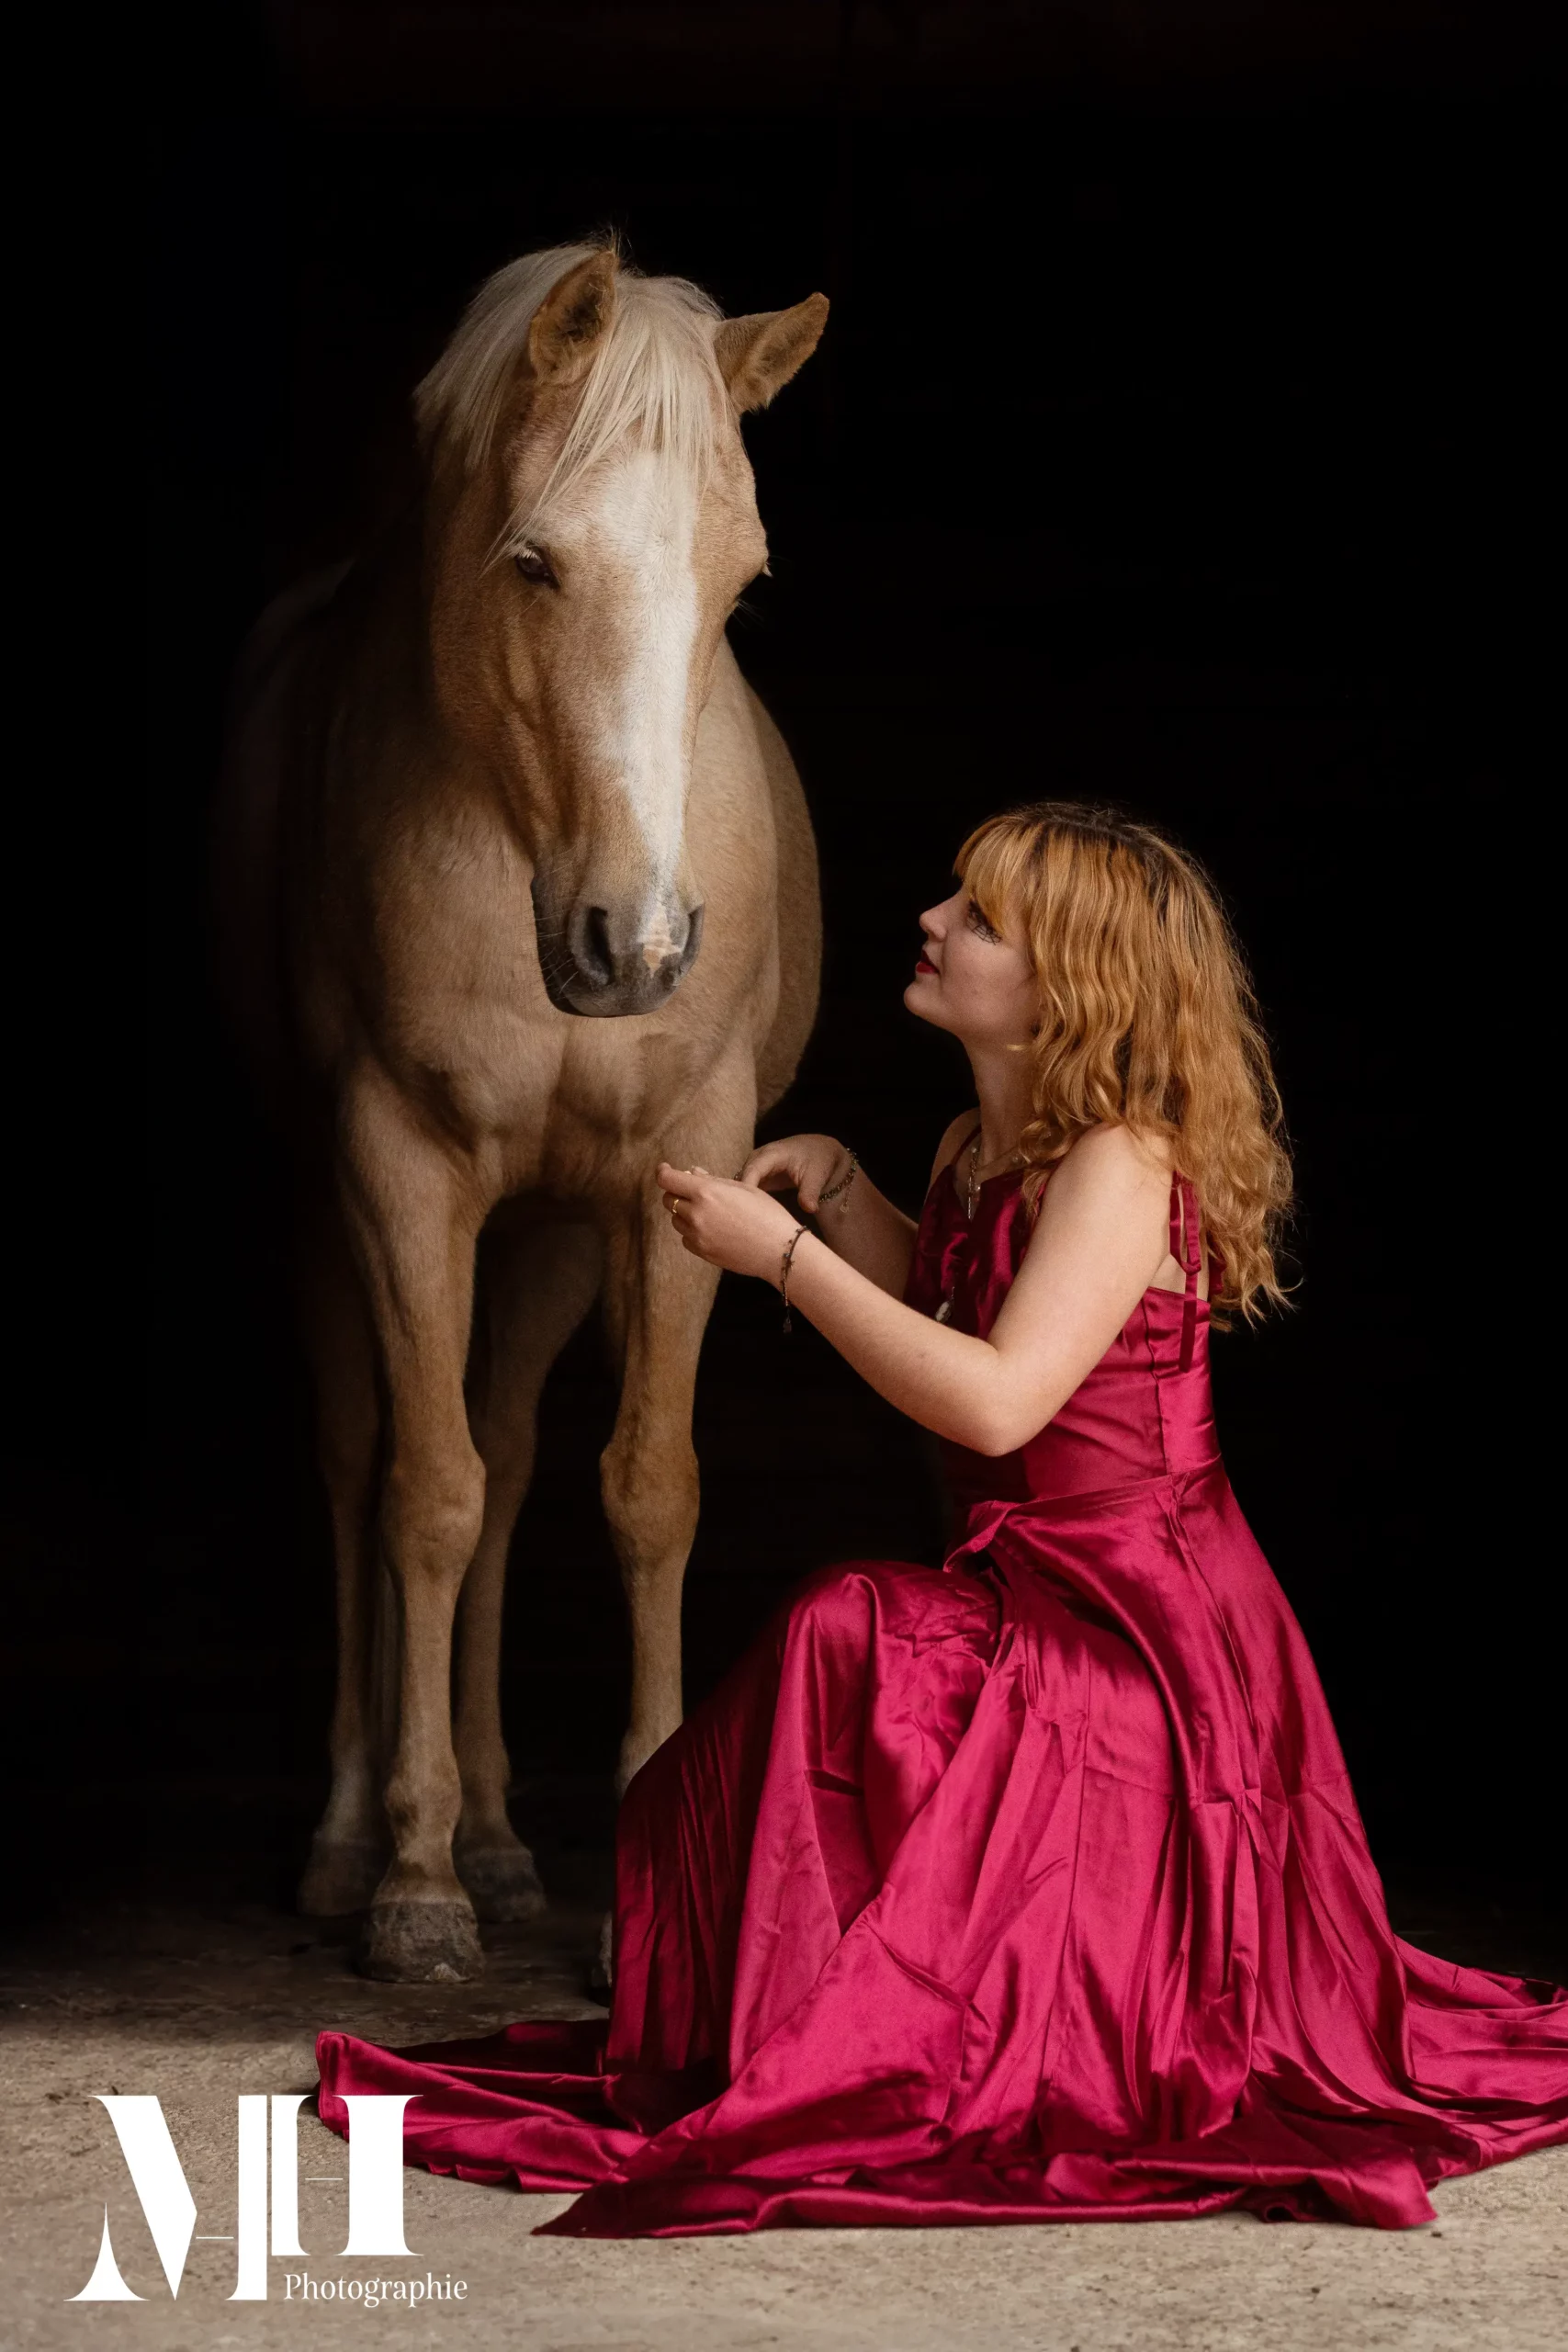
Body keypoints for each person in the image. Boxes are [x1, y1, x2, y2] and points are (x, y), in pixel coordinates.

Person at [317, 801, 1567, 2235]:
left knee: (852, 1630)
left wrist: (782, 1259)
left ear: (1066, 987)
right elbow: (956, 1309)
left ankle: (869, 2038)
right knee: (847, 1644)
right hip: (1030, 1589)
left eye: (978, 920)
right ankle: (820, 2029)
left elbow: (993, 1403)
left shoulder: (1119, 1161)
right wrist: (846, 1194)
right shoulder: (985, 1143)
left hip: (1142, 1636)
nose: (931, 922)